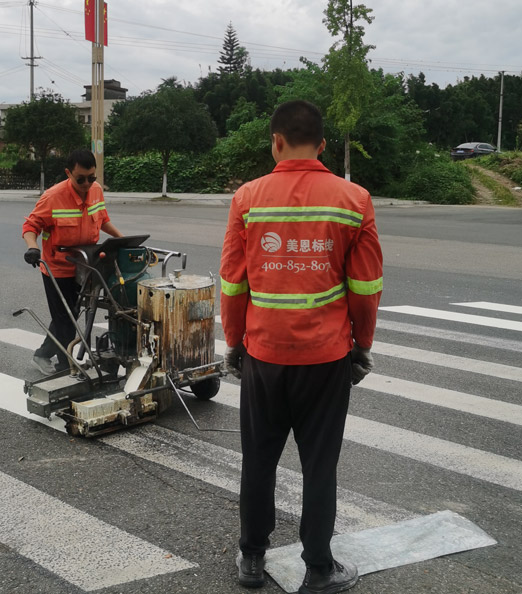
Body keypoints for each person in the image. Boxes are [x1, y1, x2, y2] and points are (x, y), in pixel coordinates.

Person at [220, 100, 383, 594]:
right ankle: (317, 567)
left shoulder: (248, 198)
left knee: (259, 459)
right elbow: (366, 287)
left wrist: (234, 342)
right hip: (326, 356)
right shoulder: (354, 200)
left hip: (265, 356)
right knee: (319, 465)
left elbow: (233, 282)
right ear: (324, 145)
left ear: (276, 141)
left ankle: (252, 559)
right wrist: (361, 346)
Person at [22, 149, 123, 374]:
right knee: (65, 319)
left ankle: (41, 354)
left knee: (69, 314)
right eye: (81, 179)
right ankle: (66, 369)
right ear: (68, 173)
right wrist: (32, 247)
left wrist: (123, 240)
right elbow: (31, 226)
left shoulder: (96, 191)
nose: (87, 183)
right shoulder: (52, 197)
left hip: (85, 266)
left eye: (91, 178)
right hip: (57, 269)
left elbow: (103, 219)